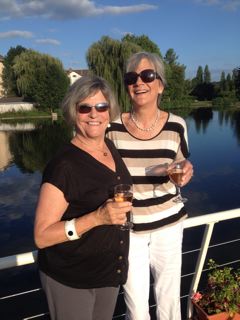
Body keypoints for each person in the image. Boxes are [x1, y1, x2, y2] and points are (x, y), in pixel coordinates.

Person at [34, 75, 132, 320]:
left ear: (110, 111)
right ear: (73, 112)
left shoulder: (109, 147)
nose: (94, 114)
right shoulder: (64, 165)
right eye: (85, 107)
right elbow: (42, 235)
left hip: (107, 274)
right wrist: (98, 218)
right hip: (71, 279)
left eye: (101, 106)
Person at [107, 51, 193, 320]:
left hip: (168, 223)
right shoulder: (112, 126)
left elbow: (180, 163)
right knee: (135, 304)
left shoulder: (177, 125)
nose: (139, 82)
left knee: (169, 299)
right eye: (132, 77)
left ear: (160, 85)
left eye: (148, 75)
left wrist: (187, 170)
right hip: (129, 229)